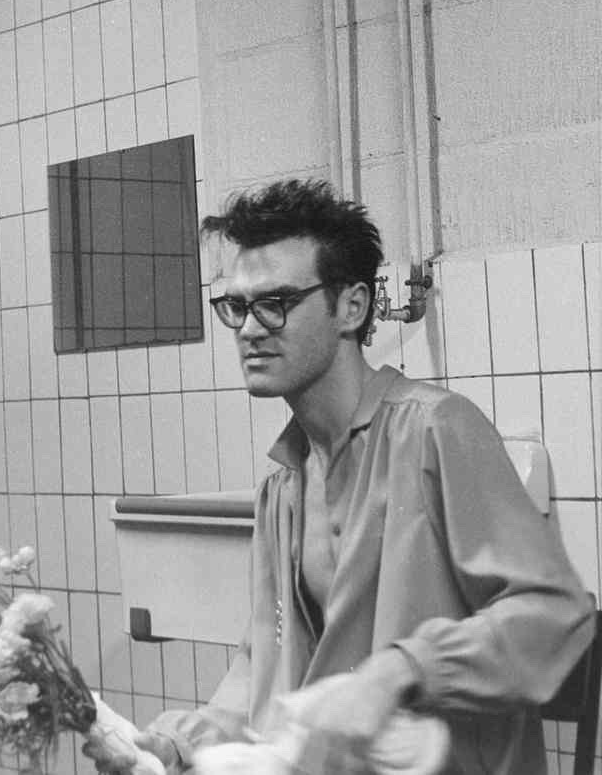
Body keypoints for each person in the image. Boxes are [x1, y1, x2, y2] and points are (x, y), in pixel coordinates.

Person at [85, 178, 594, 774]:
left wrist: (400, 671)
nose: (250, 328)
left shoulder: (435, 430)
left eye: (275, 302)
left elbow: (557, 613)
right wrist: (180, 744)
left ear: (352, 307)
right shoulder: (282, 489)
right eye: (238, 306)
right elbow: (260, 671)